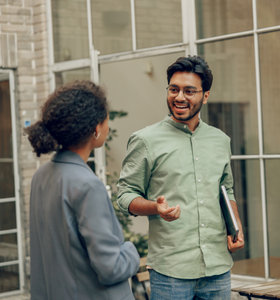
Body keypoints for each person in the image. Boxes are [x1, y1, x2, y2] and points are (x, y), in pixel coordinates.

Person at [117, 55, 245, 300]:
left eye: (189, 91)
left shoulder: (220, 140)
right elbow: (124, 196)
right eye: (174, 89)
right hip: (170, 273)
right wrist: (156, 207)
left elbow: (225, 190)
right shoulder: (145, 140)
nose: (179, 97)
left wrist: (235, 227)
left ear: (205, 96)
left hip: (217, 268)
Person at [26, 81, 140, 300]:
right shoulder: (88, 185)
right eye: (106, 118)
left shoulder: (41, 176)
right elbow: (111, 268)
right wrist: (131, 251)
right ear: (96, 129)